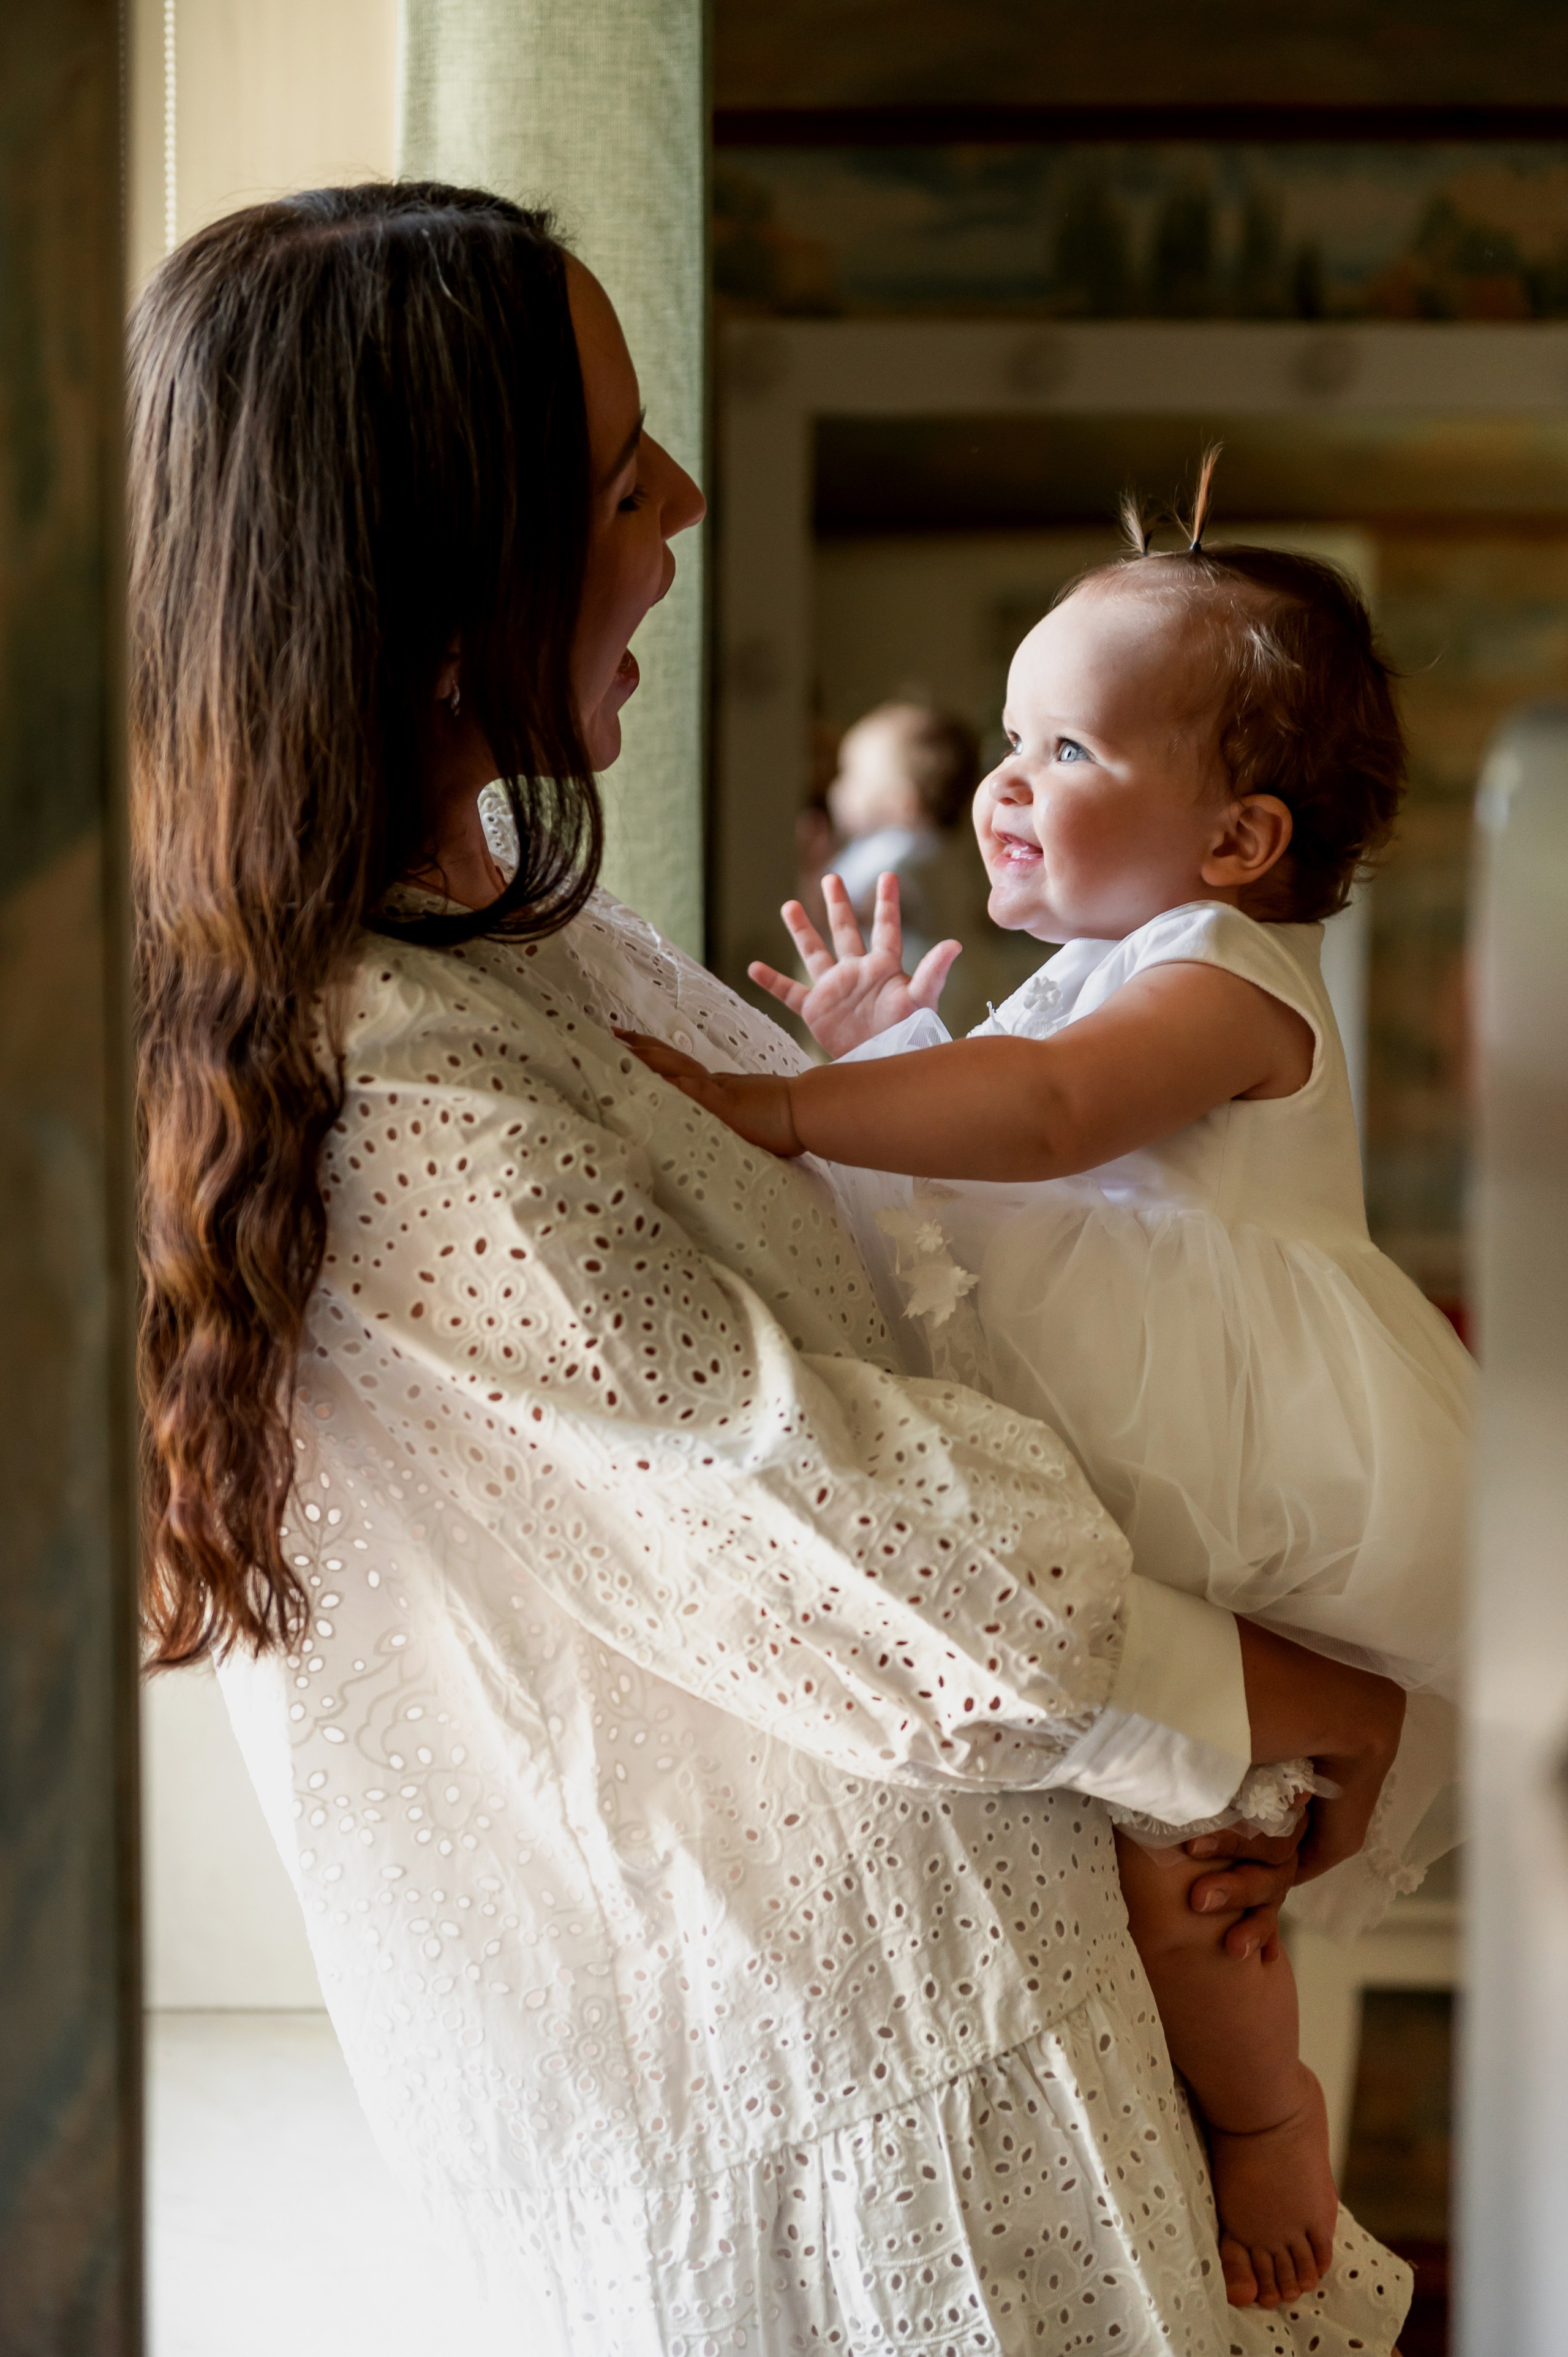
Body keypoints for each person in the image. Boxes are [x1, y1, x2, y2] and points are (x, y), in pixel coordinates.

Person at [130, 188, 1412, 2353]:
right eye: (628, 476)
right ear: (447, 576)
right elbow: (854, 1542)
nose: (690, 507)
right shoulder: (410, 1079)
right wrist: (1307, 1711)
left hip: (971, 2044)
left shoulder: (544, 956)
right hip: (866, 2145)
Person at [627, 453, 1468, 2314]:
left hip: (1232, 1457)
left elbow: (1047, 1122)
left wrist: (786, 1101)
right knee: (1135, 1811)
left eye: (1069, 756)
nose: (1006, 783)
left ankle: (1268, 2125)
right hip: (1121, 1443)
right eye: (1010, 739)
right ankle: (1200, 2097)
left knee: (1201, 1852)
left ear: (1239, 841)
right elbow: (988, 1143)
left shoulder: (1229, 971)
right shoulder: (1095, 969)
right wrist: (882, 1039)